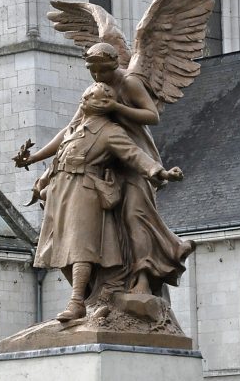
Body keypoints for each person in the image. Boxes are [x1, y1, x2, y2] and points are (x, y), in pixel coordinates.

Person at [17, 82, 184, 321]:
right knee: (56, 250)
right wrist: (33, 164)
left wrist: (161, 172)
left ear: (105, 104)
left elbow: (134, 155)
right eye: (84, 97)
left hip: (85, 191)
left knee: (81, 248)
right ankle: (87, 299)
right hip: (61, 192)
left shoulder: (110, 132)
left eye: (90, 98)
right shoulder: (75, 129)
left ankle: (76, 303)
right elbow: (58, 154)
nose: (83, 101)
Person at [82, 43, 194, 295]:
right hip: (110, 162)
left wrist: (116, 108)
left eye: (102, 72)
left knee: (135, 217)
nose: (98, 78)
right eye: (93, 72)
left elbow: (152, 115)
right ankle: (118, 280)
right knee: (111, 224)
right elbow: (75, 125)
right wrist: (35, 159)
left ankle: (143, 279)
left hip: (138, 159)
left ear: (113, 66)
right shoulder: (99, 89)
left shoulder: (130, 83)